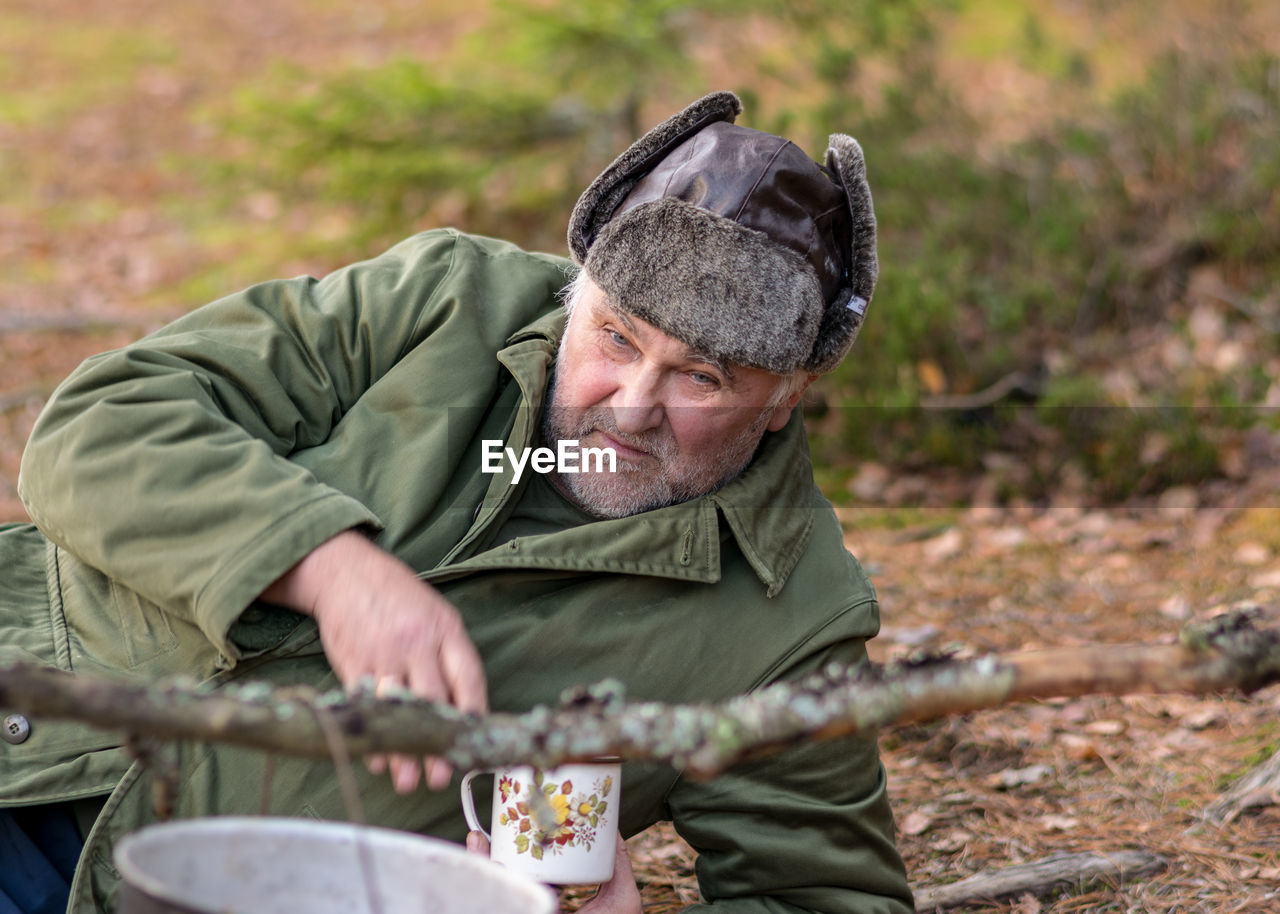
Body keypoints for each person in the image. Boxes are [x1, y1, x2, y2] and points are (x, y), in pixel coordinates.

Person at [0, 91, 913, 913]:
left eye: (703, 378)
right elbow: (100, 420)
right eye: (617, 339)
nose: (631, 406)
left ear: (788, 396)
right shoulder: (449, 297)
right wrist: (327, 567)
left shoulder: (791, 624)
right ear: (576, 289)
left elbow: (832, 900)